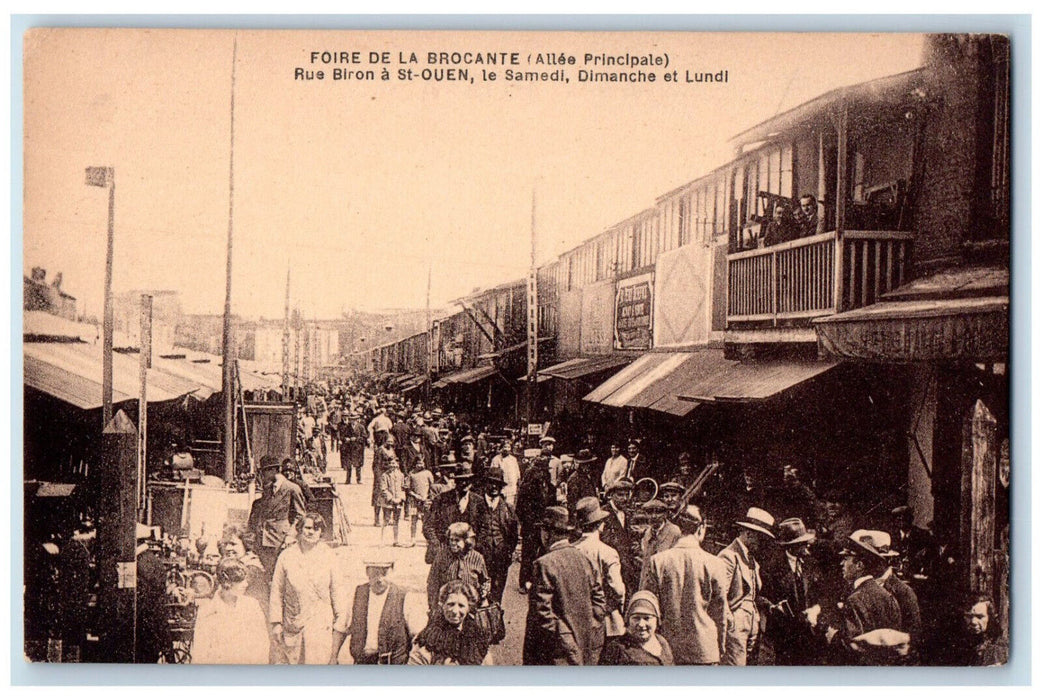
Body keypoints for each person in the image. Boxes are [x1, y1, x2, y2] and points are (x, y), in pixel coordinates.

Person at [639, 503, 731, 665]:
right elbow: (720, 613)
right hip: (704, 650)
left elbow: (648, 606)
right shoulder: (715, 564)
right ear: (701, 528)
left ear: (679, 528)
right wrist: (720, 645)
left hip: (667, 648)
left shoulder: (658, 561)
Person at [522, 506, 607, 665]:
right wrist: (587, 628)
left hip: (553, 652)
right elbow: (600, 603)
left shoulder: (544, 564)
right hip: (584, 646)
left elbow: (543, 613)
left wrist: (564, 638)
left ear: (546, 534)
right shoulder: (585, 559)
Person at [269, 513, 348, 664]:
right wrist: (276, 623)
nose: (311, 532)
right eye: (308, 528)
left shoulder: (329, 556)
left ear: (321, 532)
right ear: (300, 529)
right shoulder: (286, 556)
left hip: (320, 623)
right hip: (293, 623)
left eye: (316, 529)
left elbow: (337, 591)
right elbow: (277, 592)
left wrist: (340, 622)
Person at [826, 530, 904, 664]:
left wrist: (833, 637)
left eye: (846, 559)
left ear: (859, 565)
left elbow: (854, 647)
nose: (841, 564)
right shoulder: (887, 595)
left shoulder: (854, 599)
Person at [759, 517, 828, 666]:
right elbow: (763, 598)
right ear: (791, 546)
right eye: (802, 544)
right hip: (784, 636)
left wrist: (815, 609)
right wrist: (773, 607)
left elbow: (822, 595)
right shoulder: (772, 568)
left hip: (809, 633)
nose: (807, 548)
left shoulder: (811, 564)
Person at [338, 560, 427, 665]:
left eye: (384, 573)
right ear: (367, 572)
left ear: (392, 571)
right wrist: (333, 657)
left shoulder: (405, 597)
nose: (379, 579)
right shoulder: (358, 594)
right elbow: (340, 628)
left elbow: (418, 636)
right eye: (375, 573)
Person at [717, 507, 776, 666]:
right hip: (736, 627)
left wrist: (762, 602)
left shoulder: (751, 559)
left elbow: (751, 592)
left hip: (752, 624)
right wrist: (730, 624)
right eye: (761, 538)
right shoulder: (728, 556)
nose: (763, 543)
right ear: (749, 533)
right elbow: (720, 595)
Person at [191, 557, 270, 664]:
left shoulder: (252, 606)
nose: (245, 584)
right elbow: (200, 654)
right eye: (240, 581)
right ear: (226, 582)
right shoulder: (207, 611)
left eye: (245, 580)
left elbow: (262, 644)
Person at [573, 497, 627, 638]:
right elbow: (618, 588)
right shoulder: (607, 552)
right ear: (600, 525)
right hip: (605, 617)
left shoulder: (572, 549)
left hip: (578, 614)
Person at [248, 455, 307, 577]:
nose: (262, 476)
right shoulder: (268, 488)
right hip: (263, 538)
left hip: (281, 539)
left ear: (273, 470)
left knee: (281, 574)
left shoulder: (292, 488)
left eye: (264, 472)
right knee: (268, 572)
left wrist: (291, 535)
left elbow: (300, 516)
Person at [409, 580, 493, 665]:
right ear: (442, 605)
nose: (455, 611)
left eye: (461, 605)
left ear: (468, 608)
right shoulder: (429, 638)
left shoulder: (477, 640)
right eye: (451, 604)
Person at [474, 466, 520, 605]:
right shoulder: (476, 505)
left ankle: (495, 621)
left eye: (498, 484)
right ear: (485, 484)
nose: (494, 487)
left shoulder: (507, 508)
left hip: (501, 557)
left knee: (498, 592)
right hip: (480, 556)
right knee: (479, 591)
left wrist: (508, 552)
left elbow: (513, 535)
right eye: (491, 483)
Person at [515, 453, 558, 593]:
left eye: (544, 471)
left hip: (545, 527)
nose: (541, 474)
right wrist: (529, 522)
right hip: (531, 527)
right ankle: (524, 582)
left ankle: (541, 582)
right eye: (539, 470)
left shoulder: (551, 488)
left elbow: (553, 506)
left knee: (544, 554)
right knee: (528, 555)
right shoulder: (527, 487)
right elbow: (519, 509)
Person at [424, 464, 482, 565]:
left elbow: (483, 529)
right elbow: (428, 526)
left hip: (470, 554)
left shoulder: (479, 502)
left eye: (467, 480)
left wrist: (474, 546)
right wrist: (438, 546)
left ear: (472, 482)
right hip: (445, 551)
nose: (464, 483)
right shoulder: (441, 499)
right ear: (455, 481)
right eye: (460, 480)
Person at [426, 522, 490, 613]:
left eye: (457, 540)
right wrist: (433, 606)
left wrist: (484, 592)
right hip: (446, 608)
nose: (452, 543)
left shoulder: (477, 558)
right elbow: (432, 582)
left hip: (470, 608)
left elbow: (485, 581)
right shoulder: (442, 556)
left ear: (467, 541)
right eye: (451, 540)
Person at [598, 590, 674, 666]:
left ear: (657, 620)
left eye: (647, 618)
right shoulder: (616, 649)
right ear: (628, 619)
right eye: (636, 618)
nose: (641, 624)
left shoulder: (662, 642)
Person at [217, 525, 269, 619]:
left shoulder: (251, 569)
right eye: (226, 544)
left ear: (245, 545)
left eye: (233, 544)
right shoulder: (233, 566)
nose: (228, 548)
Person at [601, 478, 640, 596]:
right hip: (612, 563)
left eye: (627, 495)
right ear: (611, 495)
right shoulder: (603, 514)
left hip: (627, 563)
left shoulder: (627, 513)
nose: (624, 498)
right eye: (620, 495)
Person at [952, 595, 1008, 666]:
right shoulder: (959, 645)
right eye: (969, 616)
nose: (973, 622)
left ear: (990, 618)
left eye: (980, 617)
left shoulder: (999, 650)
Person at [637, 500, 682, 580]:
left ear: (665, 514)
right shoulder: (648, 534)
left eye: (658, 512)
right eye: (650, 513)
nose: (654, 516)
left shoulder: (674, 532)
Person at [404, 455, 434, 548]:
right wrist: (415, 496)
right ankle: (413, 539)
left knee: (426, 521)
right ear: (415, 464)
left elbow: (432, 487)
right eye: (418, 463)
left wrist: (428, 497)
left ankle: (428, 540)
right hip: (414, 501)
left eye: (422, 463)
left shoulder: (428, 473)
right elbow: (407, 489)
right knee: (414, 521)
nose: (420, 465)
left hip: (426, 500)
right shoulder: (411, 474)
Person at [377, 453, 406, 546]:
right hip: (388, 502)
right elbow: (383, 489)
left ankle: (396, 540)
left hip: (398, 502)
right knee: (386, 520)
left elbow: (403, 488)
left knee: (396, 521)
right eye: (391, 463)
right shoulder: (384, 476)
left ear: (397, 464)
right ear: (388, 464)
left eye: (394, 464)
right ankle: (383, 541)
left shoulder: (401, 475)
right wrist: (391, 499)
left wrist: (400, 498)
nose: (393, 466)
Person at [490, 440, 521, 506]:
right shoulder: (496, 459)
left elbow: (517, 473)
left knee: (510, 506)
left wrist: (518, 482)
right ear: (501, 448)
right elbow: (493, 474)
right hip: (501, 488)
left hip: (511, 488)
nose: (506, 449)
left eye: (508, 447)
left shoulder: (513, 459)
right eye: (505, 447)